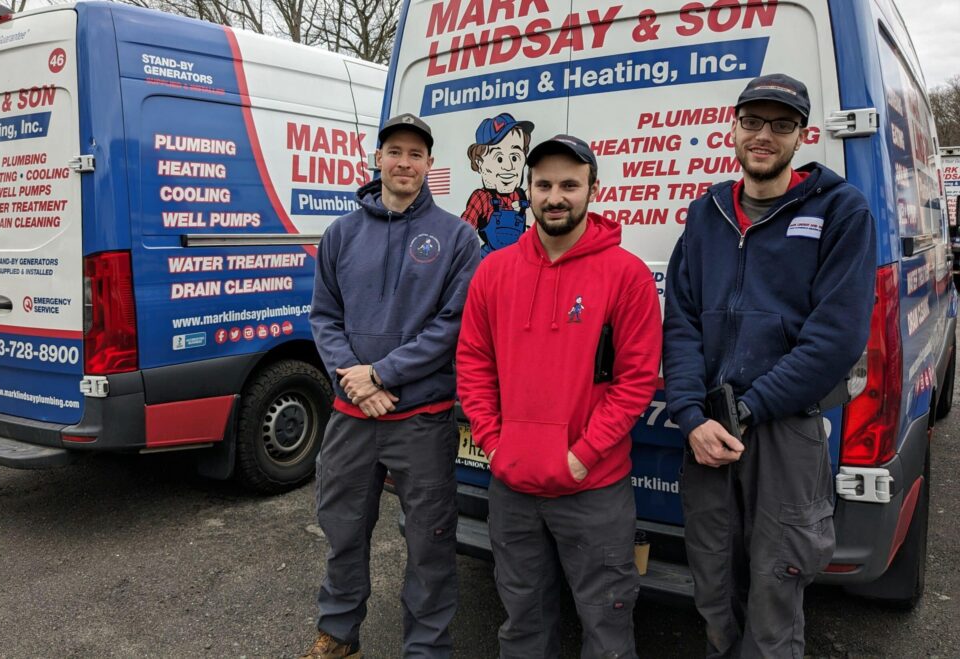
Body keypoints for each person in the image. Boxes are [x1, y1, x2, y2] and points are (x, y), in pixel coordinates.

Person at [663, 73, 876, 658]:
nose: (764, 135)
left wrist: (750, 408)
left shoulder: (841, 211)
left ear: (802, 135)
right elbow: (680, 323)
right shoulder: (705, 214)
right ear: (732, 129)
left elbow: (835, 338)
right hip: (707, 432)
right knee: (714, 584)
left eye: (781, 125)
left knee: (775, 591)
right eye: (753, 122)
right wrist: (690, 415)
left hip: (782, 429)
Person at [456, 135, 662, 658]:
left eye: (569, 185)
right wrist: (494, 444)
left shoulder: (627, 276)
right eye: (543, 185)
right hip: (512, 487)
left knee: (607, 626)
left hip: (592, 488)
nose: (555, 197)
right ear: (528, 190)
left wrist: (583, 455)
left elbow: (636, 381)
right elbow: (474, 364)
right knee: (522, 623)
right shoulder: (493, 271)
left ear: (594, 189)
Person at [302, 112, 480, 659]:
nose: (405, 163)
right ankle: (338, 634)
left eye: (416, 154)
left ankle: (426, 648)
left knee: (429, 541)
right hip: (352, 417)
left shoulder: (457, 238)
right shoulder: (341, 234)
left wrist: (382, 374)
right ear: (377, 158)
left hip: (421, 419)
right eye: (395, 152)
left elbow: (451, 326)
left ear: (430, 164)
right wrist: (355, 381)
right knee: (343, 529)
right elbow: (324, 317)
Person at [460, 112, 535, 256]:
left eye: (515, 157)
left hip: (518, 263)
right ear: (479, 163)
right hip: (487, 263)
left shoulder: (523, 197)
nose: (508, 167)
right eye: (499, 158)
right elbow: (462, 235)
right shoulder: (482, 198)